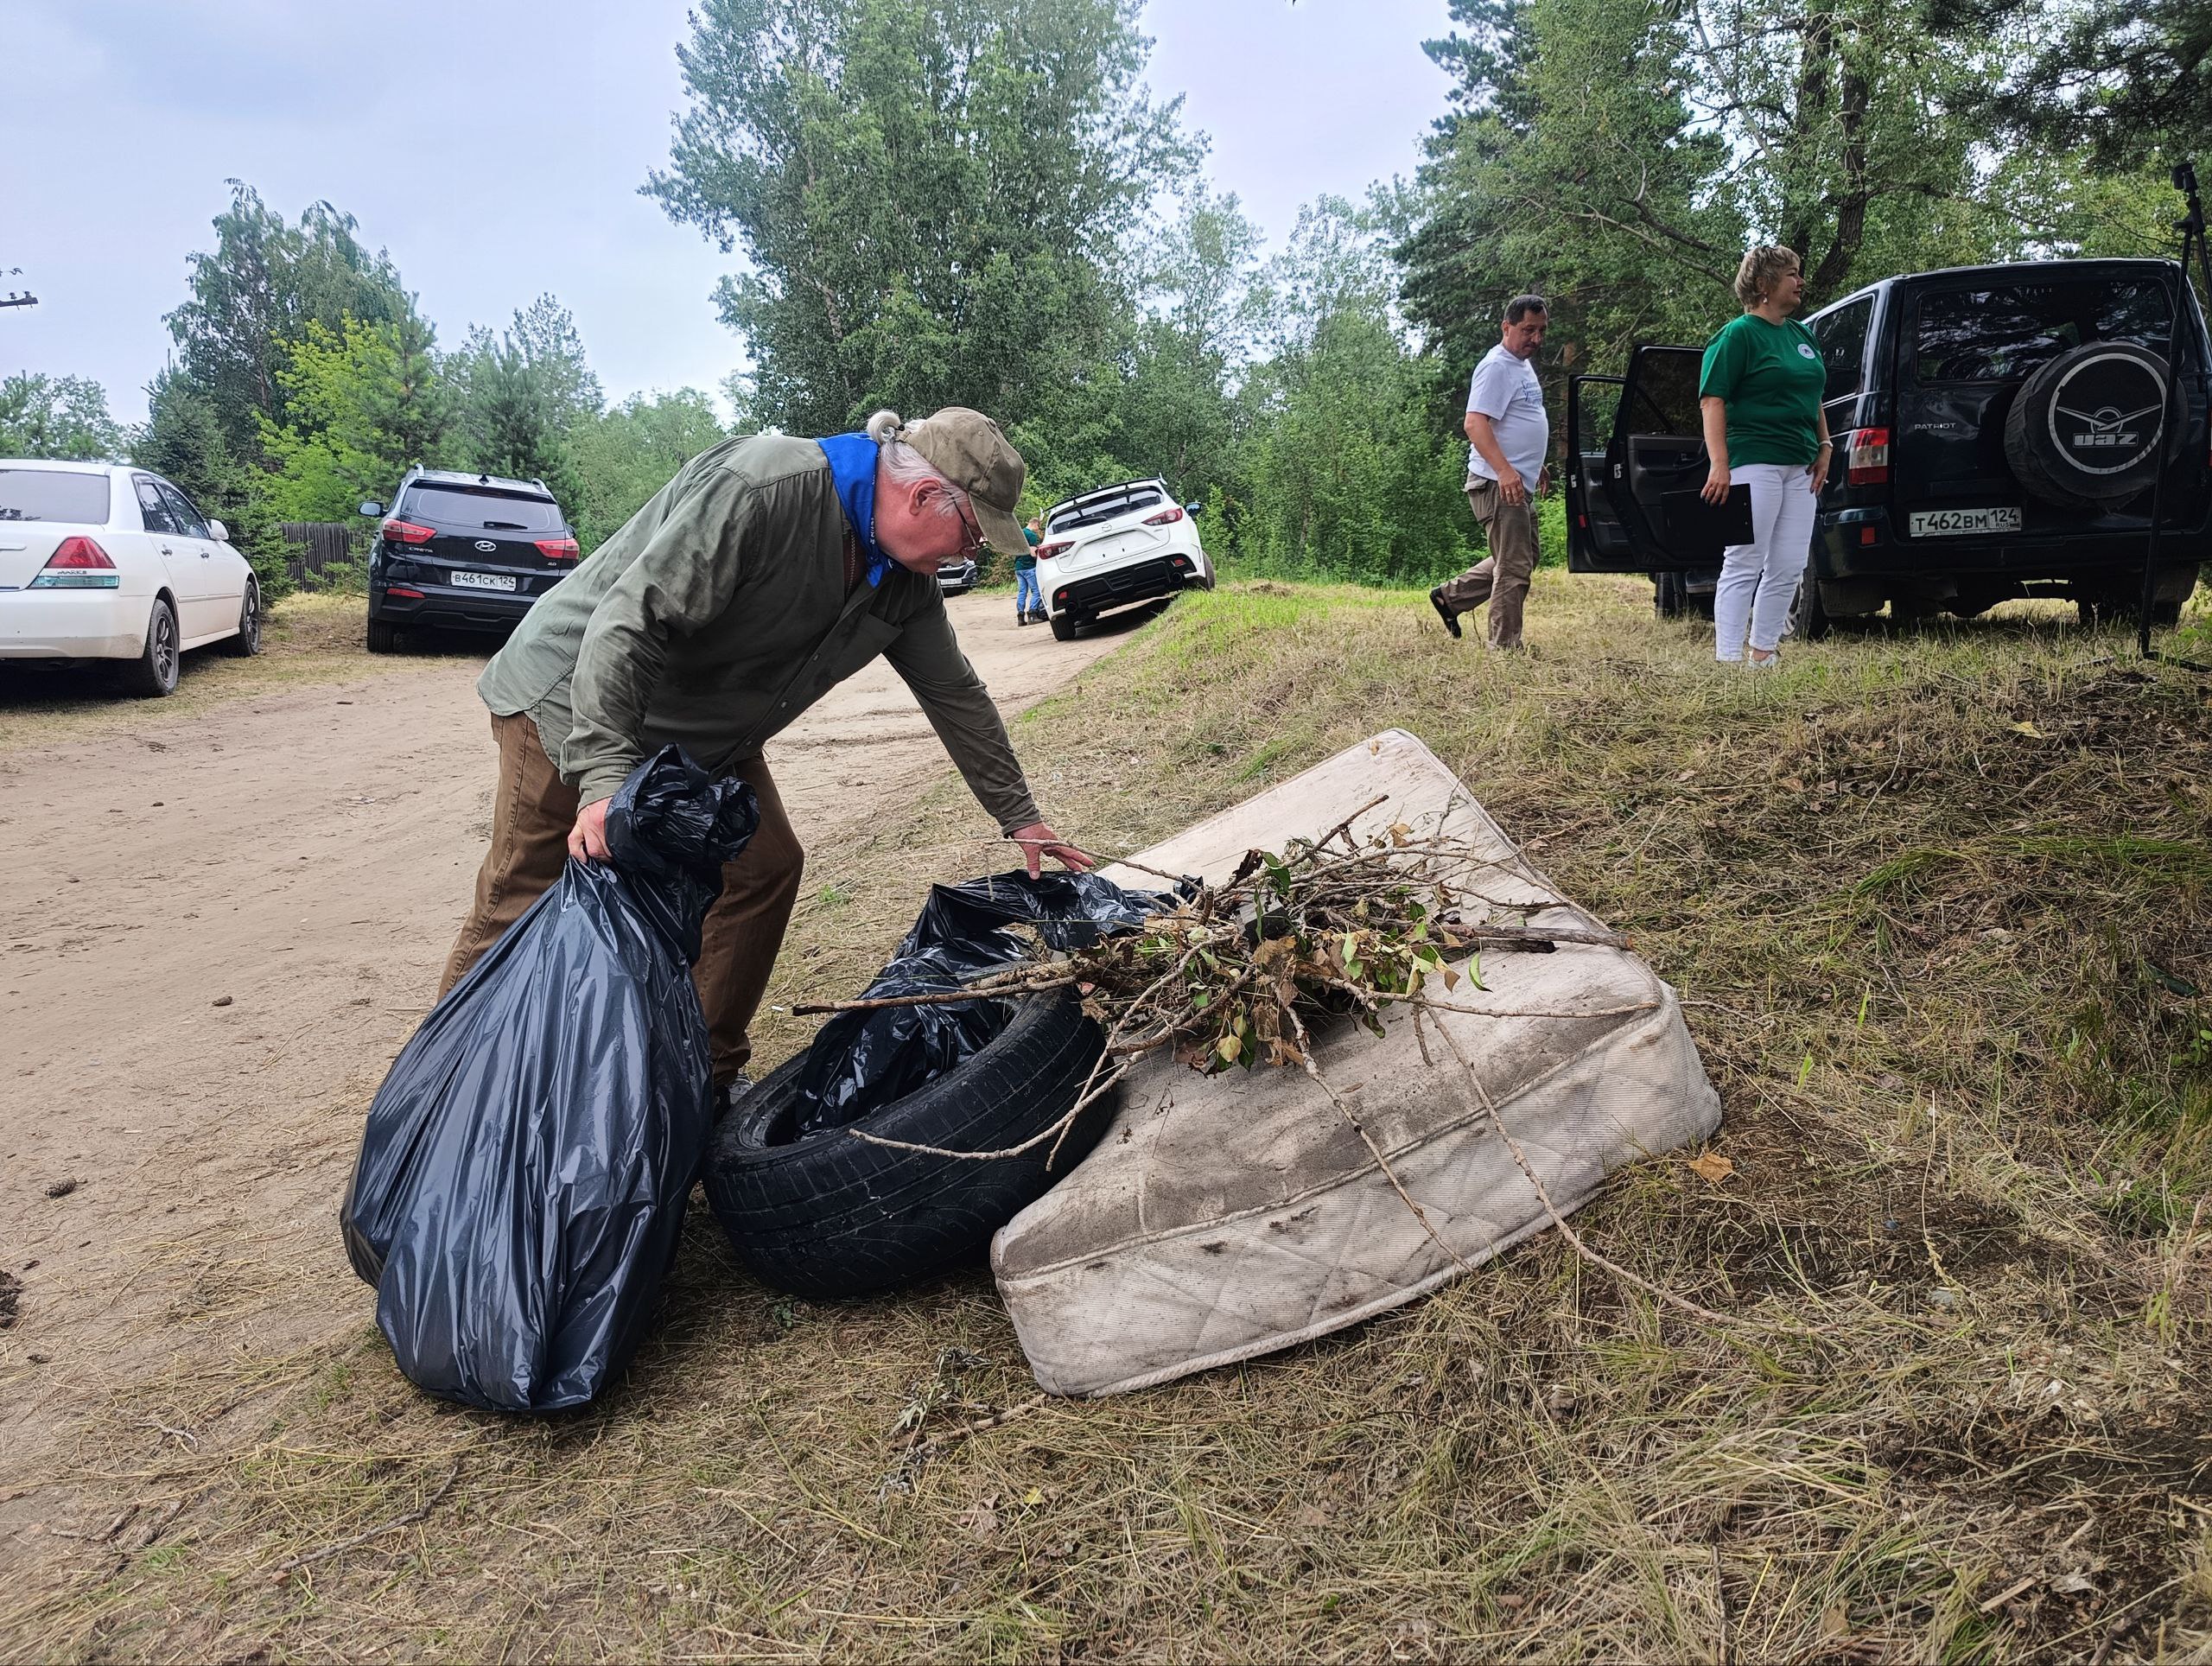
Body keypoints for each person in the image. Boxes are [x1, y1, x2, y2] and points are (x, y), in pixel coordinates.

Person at [440, 407, 1090, 1107]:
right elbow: (629, 621)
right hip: (571, 699)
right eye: (970, 534)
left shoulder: (904, 583)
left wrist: (1019, 816)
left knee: (764, 867)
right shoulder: (764, 488)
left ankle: (696, 1084)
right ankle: (437, 1103)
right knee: (522, 893)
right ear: (924, 495)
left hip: (700, 739)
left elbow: (956, 694)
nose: (967, 556)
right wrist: (603, 780)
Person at [1698, 245, 1832, 665]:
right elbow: (1712, 400)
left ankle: (1763, 653)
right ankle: (1728, 659)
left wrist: (1825, 445)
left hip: (1801, 466)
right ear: (1763, 284)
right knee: (1745, 559)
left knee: (1789, 565)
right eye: (1792, 274)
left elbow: (1813, 395)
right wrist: (1720, 464)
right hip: (1753, 461)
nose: (1801, 281)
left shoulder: (1802, 335)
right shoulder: (1738, 335)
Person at [1430, 294, 1552, 649]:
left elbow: (1516, 421)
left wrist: (1535, 463)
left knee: (1524, 556)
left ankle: (1450, 598)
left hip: (1515, 480)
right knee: (1514, 567)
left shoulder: (1521, 364)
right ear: (1506, 327)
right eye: (1528, 330)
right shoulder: (1496, 366)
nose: (1536, 339)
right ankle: (1504, 650)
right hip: (1497, 484)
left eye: (1542, 331)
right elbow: (1474, 423)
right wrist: (1505, 470)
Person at [1015, 516, 1045, 625]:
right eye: (1038, 527)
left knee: (1022, 592)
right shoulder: (1032, 535)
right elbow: (1033, 553)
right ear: (1035, 524)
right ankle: (1032, 615)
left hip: (1018, 567)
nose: (1038, 529)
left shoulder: (1020, 533)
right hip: (1029, 567)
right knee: (1036, 591)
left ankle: (1020, 617)